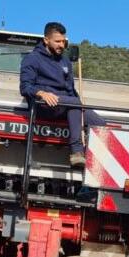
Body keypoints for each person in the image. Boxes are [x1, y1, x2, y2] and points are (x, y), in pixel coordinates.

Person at [19, 22, 105, 167]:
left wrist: (81, 107)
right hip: (43, 106)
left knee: (101, 125)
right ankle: (76, 152)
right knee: (74, 103)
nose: (61, 45)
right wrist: (41, 93)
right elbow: (25, 87)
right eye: (57, 41)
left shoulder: (65, 61)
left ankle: (94, 166)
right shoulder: (32, 58)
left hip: (65, 104)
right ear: (46, 40)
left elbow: (71, 90)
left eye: (63, 41)